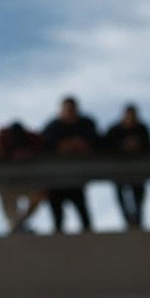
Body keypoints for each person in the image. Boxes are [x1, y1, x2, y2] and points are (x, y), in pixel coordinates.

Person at [42, 96, 99, 233]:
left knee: (84, 217)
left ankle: (89, 241)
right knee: (58, 220)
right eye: (66, 110)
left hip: (77, 179)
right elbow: (44, 146)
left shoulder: (86, 124)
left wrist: (81, 146)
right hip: (55, 180)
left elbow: (96, 143)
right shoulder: (53, 127)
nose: (69, 113)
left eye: (72, 109)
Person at [103, 104, 150, 230]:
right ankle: (128, 221)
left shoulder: (142, 129)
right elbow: (105, 147)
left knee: (139, 197)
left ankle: (138, 221)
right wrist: (122, 147)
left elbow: (149, 149)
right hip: (119, 171)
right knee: (121, 196)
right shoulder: (114, 130)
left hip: (138, 171)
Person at [0, 121, 46, 234]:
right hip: (8, 183)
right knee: (3, 193)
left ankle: (20, 223)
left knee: (41, 191)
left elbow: (44, 152)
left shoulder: (33, 139)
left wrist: (29, 154)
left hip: (30, 181)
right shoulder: (3, 139)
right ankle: (15, 225)